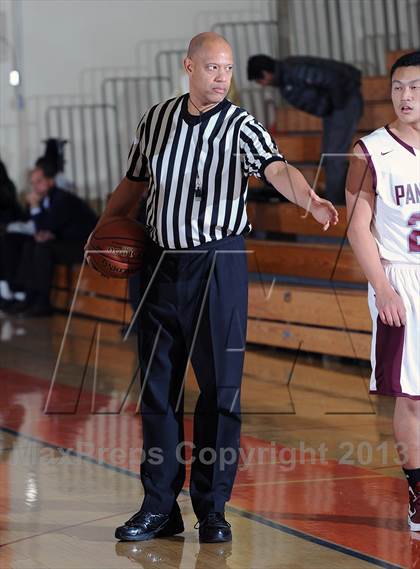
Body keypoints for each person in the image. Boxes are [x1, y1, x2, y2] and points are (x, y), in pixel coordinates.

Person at [87, 32, 338, 543]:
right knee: (158, 392)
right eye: (212, 68)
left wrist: (309, 201)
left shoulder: (242, 125)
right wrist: (103, 228)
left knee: (221, 392)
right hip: (157, 265)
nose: (222, 78)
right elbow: (135, 182)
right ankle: (159, 507)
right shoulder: (155, 119)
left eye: (227, 69)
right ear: (189, 67)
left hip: (216, 262)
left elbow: (275, 169)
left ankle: (212, 507)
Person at [346, 50, 420, 532]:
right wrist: (383, 288)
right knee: (413, 397)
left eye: (414, 87)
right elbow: (357, 226)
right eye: (398, 88)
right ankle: (418, 494)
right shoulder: (371, 148)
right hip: (401, 277)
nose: (405, 96)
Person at [247, 54, 364, 204]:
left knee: (334, 158)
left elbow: (332, 79)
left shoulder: (293, 71)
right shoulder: (286, 77)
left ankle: (337, 204)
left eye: (259, 80)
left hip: (344, 103)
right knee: (329, 157)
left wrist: (337, 107)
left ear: (266, 74)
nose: (262, 85)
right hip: (336, 108)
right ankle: (338, 199)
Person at [5, 159, 97, 316]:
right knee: (30, 245)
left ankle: (43, 303)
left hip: (84, 246)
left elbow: (45, 226)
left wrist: (34, 208)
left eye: (39, 181)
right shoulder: (45, 199)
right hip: (64, 242)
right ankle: (29, 297)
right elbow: (37, 227)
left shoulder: (62, 198)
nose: (35, 186)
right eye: (32, 183)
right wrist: (36, 216)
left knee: (42, 249)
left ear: (50, 181)